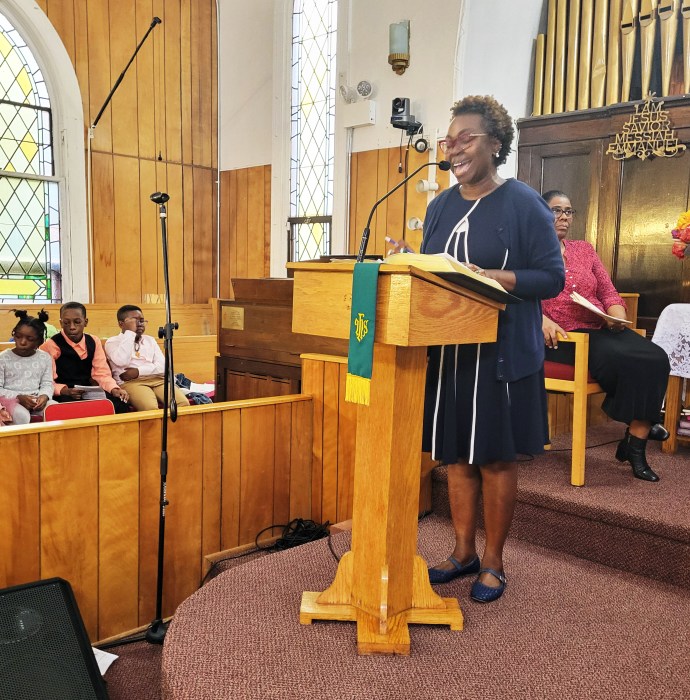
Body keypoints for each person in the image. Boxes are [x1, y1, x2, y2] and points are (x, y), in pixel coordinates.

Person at [416, 96, 565, 602]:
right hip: (450, 353)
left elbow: (553, 277)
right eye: (449, 138)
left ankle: (496, 562)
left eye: (465, 138)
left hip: (499, 355)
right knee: (457, 458)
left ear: (495, 145)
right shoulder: (439, 205)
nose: (453, 147)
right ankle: (462, 552)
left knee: (496, 459)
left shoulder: (524, 203)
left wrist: (494, 278)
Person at [541, 190, 671, 482]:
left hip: (602, 328)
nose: (563, 216)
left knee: (656, 355)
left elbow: (608, 291)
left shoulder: (584, 249)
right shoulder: (529, 252)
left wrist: (617, 316)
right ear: (540, 213)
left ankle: (634, 440)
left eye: (569, 211)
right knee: (625, 359)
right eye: (555, 210)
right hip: (563, 338)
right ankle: (642, 433)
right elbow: (518, 294)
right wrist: (540, 319)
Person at [40, 302, 130, 413]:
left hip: (88, 391)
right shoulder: (50, 345)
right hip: (64, 393)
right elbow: (47, 381)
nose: (72, 327)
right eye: (66, 323)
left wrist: (114, 388)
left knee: (120, 404)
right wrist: (64, 390)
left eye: (77, 322)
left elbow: (101, 373)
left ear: (85, 322)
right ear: (60, 323)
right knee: (76, 410)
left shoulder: (93, 341)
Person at [104, 305, 190, 412]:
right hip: (131, 383)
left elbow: (164, 366)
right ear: (121, 324)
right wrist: (130, 333)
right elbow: (122, 361)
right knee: (150, 408)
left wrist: (138, 371)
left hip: (158, 380)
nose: (139, 324)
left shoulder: (150, 340)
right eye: (134, 320)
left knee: (183, 404)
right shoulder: (112, 342)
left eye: (142, 320)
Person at [0, 310, 57, 424]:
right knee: (22, 416)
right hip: (11, 400)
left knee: (56, 409)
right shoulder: (3, 358)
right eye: (18, 336)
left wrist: (44, 396)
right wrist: (19, 397)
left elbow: (47, 383)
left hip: (36, 399)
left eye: (30, 339)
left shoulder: (44, 358)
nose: (22, 342)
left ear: (40, 341)